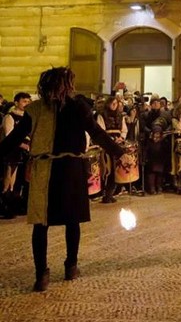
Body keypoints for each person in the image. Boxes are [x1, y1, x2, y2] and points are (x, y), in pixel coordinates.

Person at [0, 67, 124, 291]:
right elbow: (97, 132)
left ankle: (43, 274)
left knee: (42, 223)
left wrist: (118, 152)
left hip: (47, 170)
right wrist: (119, 152)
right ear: (66, 85)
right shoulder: (75, 106)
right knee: (70, 220)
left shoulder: (39, 108)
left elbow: (15, 138)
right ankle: (69, 266)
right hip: (67, 169)